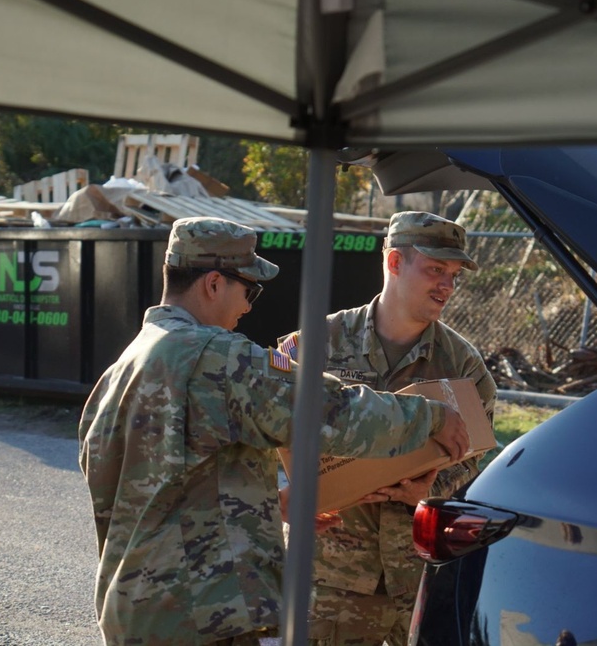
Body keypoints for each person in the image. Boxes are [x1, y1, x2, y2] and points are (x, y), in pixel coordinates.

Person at [78, 216, 470, 646]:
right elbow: (330, 411)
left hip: (133, 609)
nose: (247, 307)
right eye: (248, 290)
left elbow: (167, 483)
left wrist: (265, 502)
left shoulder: (122, 370)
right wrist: (430, 417)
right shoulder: (218, 358)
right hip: (203, 613)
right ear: (213, 284)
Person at [277, 211, 497, 646]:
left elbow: (478, 455)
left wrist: (433, 489)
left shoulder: (463, 366)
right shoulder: (312, 346)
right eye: (436, 269)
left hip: (419, 577)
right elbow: (262, 435)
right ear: (395, 263)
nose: (447, 286)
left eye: (454, 275)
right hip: (330, 582)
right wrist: (282, 495)